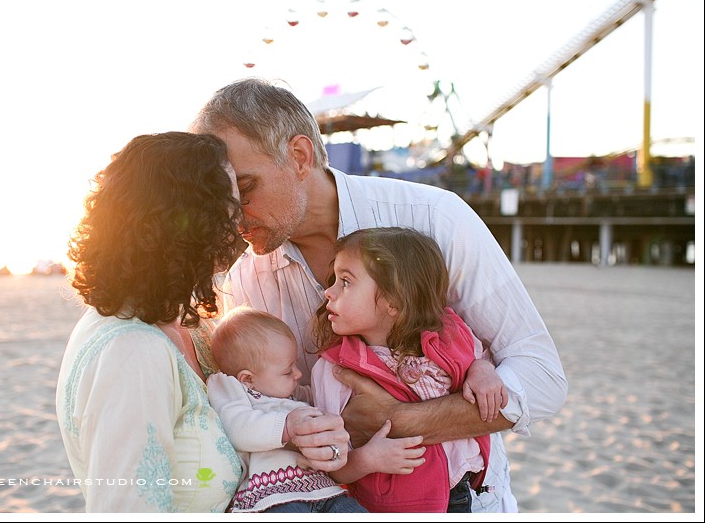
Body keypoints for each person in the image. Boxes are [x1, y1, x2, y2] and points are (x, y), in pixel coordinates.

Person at [190, 77, 567, 512]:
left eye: (246, 188)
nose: (235, 216)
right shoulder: (245, 281)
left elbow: (542, 379)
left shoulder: (435, 218)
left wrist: (401, 420)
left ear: (299, 156)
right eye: (223, 199)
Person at [55, 132, 349, 512]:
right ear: (191, 222)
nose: (242, 218)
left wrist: (300, 433)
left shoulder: (193, 325)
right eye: (232, 201)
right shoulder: (130, 351)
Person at [311, 227, 506, 512]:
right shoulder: (334, 371)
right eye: (335, 280)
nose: (328, 292)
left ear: (393, 301)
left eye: (346, 282)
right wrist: (367, 459)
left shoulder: (448, 336)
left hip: (461, 494)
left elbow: (478, 357)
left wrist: (482, 371)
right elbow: (330, 461)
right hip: (394, 505)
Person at [206, 306, 367, 513]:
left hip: (323, 489)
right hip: (274, 495)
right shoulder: (231, 387)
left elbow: (318, 398)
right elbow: (236, 427)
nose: (298, 374)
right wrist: (287, 427)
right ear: (247, 379)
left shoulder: (290, 393)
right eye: (287, 371)